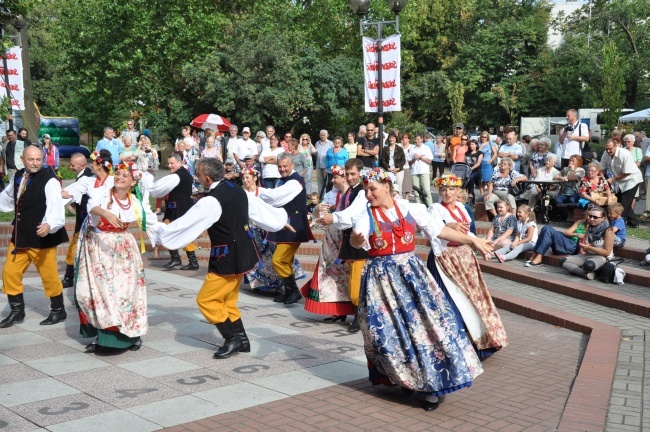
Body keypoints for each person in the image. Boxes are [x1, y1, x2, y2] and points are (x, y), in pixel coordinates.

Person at [349, 168, 489, 411]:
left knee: (428, 328)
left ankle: (434, 387)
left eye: (373, 189)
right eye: (366, 190)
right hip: (380, 281)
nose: (368, 194)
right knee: (386, 334)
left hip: (412, 276)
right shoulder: (365, 214)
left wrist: (474, 240)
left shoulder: (411, 208)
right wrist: (357, 240)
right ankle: (404, 377)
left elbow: (439, 230)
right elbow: (356, 235)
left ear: (388, 187)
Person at [155, 158, 290, 358]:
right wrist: (280, 220)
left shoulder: (211, 200)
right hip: (244, 252)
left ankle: (232, 338)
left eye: (198, 174)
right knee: (227, 300)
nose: (197, 177)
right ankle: (242, 340)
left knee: (206, 300)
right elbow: (258, 209)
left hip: (226, 258)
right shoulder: (236, 189)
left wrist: (161, 233)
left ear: (208, 178)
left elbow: (186, 224)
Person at [75, 161, 159, 352]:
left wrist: (171, 234)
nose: (120, 178)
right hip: (99, 247)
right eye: (118, 174)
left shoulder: (135, 202)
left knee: (124, 294)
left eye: (125, 175)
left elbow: (151, 222)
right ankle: (103, 335)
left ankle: (129, 336)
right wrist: (105, 212)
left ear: (133, 182)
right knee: (98, 293)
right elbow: (92, 206)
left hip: (123, 249)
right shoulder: (103, 193)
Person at [428, 175, 508, 358]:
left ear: (458, 191)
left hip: (465, 260)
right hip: (445, 260)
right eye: (443, 189)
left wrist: (480, 242)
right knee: (451, 301)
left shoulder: (463, 208)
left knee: (474, 299)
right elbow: (435, 231)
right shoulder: (435, 209)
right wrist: (449, 225)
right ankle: (455, 345)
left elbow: (470, 231)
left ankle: (479, 342)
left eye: (451, 189)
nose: (447, 193)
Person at [0, 146, 69, 328]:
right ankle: (17, 310)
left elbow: (56, 206)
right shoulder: (18, 176)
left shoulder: (49, 180)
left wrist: (49, 224)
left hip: (42, 237)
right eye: (31, 159)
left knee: (49, 276)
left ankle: (58, 310)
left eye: (38, 159)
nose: (35, 163)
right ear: (23, 159)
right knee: (9, 273)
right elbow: (7, 197)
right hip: (21, 236)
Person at [316, 158, 368, 332]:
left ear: (361, 173)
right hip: (348, 241)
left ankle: (360, 317)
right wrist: (327, 219)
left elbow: (352, 214)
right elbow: (341, 213)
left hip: (360, 241)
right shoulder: (349, 192)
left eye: (353, 174)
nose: (350, 177)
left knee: (355, 287)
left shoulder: (362, 192)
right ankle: (356, 315)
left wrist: (334, 218)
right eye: (348, 174)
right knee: (352, 281)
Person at [301, 165, 355, 320]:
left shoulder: (352, 195)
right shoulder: (333, 195)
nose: (333, 180)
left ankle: (346, 309)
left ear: (344, 177)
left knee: (344, 275)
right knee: (330, 274)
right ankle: (337, 310)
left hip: (343, 240)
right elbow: (323, 217)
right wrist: (318, 210)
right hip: (331, 240)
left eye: (336, 177)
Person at [258, 153, 312, 304]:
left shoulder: (294, 182)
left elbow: (275, 197)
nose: (281, 169)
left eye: (284, 166)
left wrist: (256, 191)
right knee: (285, 261)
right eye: (279, 166)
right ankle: (289, 291)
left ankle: (293, 290)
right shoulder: (283, 180)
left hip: (293, 228)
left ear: (292, 166)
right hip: (286, 225)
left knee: (278, 260)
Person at [241, 167, 305, 292]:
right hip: (251, 229)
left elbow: (272, 209)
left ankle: (281, 286)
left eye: (247, 177)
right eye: (243, 178)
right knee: (256, 256)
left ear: (255, 178)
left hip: (266, 228)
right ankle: (259, 283)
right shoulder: (242, 193)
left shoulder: (265, 192)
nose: (245, 180)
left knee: (271, 257)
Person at [149, 152, 198, 270]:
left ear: (179, 163)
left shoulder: (178, 176)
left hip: (181, 211)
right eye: (168, 163)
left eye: (172, 163)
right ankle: (177, 259)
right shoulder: (179, 174)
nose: (170, 166)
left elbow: (159, 189)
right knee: (166, 232)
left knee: (184, 234)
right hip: (174, 210)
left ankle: (191, 261)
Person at [60, 152, 95, 288]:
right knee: (76, 248)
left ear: (82, 165)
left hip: (85, 220)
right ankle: (72, 275)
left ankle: (70, 277)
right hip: (82, 218)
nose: (71, 167)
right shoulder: (83, 175)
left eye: (73, 165)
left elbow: (71, 193)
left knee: (74, 248)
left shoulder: (86, 177)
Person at [561, 205, 615, 280]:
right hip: (588, 255)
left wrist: (590, 247)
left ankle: (586, 271)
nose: (591, 219)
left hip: (602, 257)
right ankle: (586, 274)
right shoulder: (590, 227)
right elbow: (586, 250)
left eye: (595, 217)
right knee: (563, 261)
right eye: (590, 216)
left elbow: (607, 252)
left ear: (603, 218)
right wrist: (584, 247)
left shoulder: (608, 230)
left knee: (588, 265)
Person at [600, 139, 643, 228]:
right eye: (606, 149)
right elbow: (602, 169)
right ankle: (634, 222)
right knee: (620, 200)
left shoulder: (625, 154)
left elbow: (627, 172)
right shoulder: (606, 153)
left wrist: (613, 179)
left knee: (624, 202)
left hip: (632, 179)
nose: (608, 151)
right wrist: (603, 180)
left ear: (616, 146)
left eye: (610, 149)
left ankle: (619, 225)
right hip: (620, 180)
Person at [409, 133, 433, 206]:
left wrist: (420, 157)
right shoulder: (412, 149)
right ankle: (418, 206)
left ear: (422, 139)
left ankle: (430, 206)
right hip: (415, 172)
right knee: (416, 191)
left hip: (424, 171)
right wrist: (414, 158)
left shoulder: (426, 148)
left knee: (427, 190)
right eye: (415, 139)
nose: (417, 141)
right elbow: (409, 163)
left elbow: (429, 161)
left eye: (418, 139)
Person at [315, 130, 333, 196]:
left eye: (324, 135)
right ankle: (320, 196)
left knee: (328, 182)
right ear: (319, 135)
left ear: (327, 135)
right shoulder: (317, 143)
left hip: (327, 166)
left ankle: (328, 195)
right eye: (321, 135)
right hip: (318, 165)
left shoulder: (330, 143)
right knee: (320, 182)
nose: (322, 136)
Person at [399, 133, 414, 198]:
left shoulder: (412, 146)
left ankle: (407, 197)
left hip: (408, 166)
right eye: (403, 137)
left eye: (406, 137)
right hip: (400, 166)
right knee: (400, 182)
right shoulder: (399, 146)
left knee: (407, 182)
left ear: (409, 139)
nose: (404, 139)